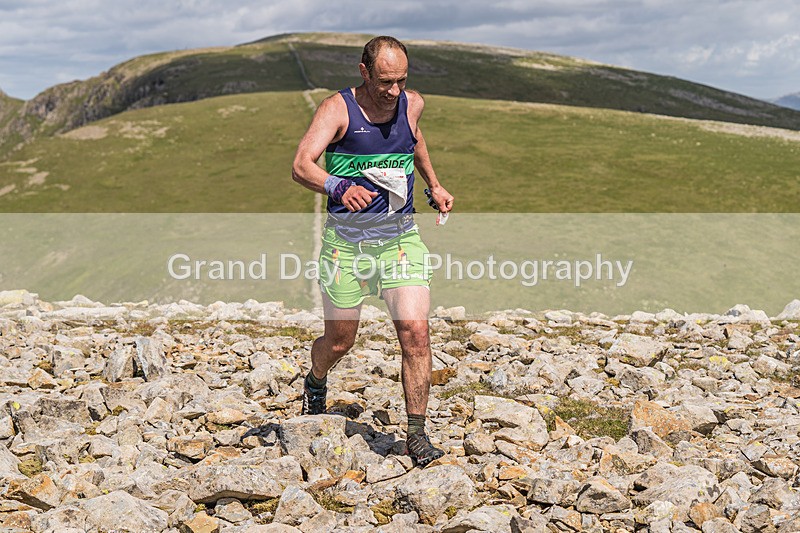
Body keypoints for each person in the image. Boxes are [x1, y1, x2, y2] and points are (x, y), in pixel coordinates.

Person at [291, 35, 454, 467]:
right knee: (340, 341)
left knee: (416, 334)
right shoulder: (337, 109)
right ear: (364, 72)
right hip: (346, 245)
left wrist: (434, 184)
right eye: (385, 81)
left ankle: (416, 435)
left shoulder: (412, 103)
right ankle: (316, 379)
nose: (394, 91)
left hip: (401, 239)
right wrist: (338, 186)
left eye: (401, 80)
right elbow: (301, 164)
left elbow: (414, 139)